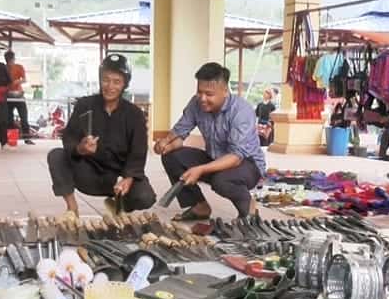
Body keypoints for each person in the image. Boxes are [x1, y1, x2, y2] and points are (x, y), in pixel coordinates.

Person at [154, 62, 266, 220]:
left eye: (209, 94)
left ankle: (249, 209)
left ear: (225, 91)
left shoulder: (242, 111)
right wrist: (166, 144)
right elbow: (180, 133)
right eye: (199, 92)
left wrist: (200, 169)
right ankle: (200, 207)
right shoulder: (196, 103)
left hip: (246, 164)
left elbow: (235, 158)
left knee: (221, 181)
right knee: (171, 157)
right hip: (215, 158)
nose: (203, 98)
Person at [47, 54, 155, 216]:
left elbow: (138, 152)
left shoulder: (134, 114)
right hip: (88, 173)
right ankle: (72, 208)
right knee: (56, 156)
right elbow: (69, 137)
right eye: (106, 79)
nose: (110, 86)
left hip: (119, 176)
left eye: (117, 82)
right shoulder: (84, 105)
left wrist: (129, 177)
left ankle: (119, 203)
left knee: (145, 197)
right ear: (100, 79)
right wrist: (80, 149)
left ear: (125, 84)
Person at [4, 51, 34, 145]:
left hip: (19, 95)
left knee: (24, 117)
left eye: (11, 60)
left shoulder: (19, 67)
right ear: (6, 60)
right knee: (9, 119)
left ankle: (26, 138)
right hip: (8, 96)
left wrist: (17, 81)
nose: (10, 62)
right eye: (8, 61)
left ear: (13, 59)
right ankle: (12, 139)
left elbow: (24, 79)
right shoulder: (3, 68)